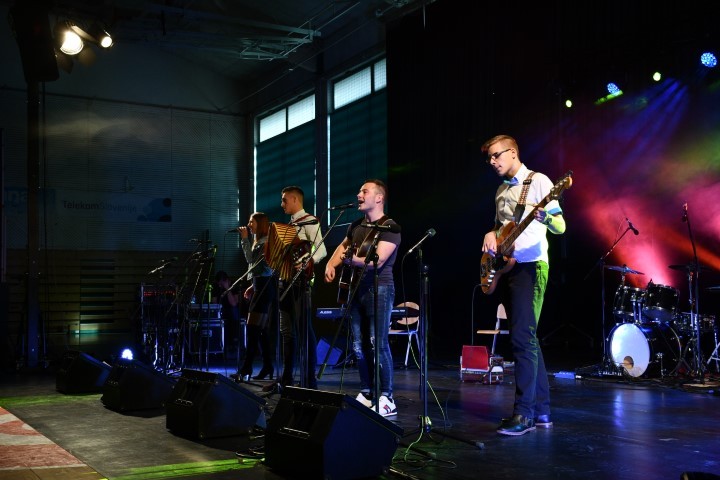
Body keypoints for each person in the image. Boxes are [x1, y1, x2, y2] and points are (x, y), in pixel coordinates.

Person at [480, 134, 566, 436]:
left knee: (521, 338)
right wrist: (490, 235)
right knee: (526, 338)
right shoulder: (501, 191)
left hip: (532, 267)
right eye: (489, 158)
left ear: (513, 152)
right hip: (508, 268)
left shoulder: (539, 181)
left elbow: (560, 226)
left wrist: (545, 217)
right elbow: (500, 228)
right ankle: (541, 411)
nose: (492, 162)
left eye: (496, 155)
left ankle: (524, 414)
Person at [324, 179, 400, 417]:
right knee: (358, 345)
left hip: (380, 289)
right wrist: (331, 264)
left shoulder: (390, 227)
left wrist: (351, 260)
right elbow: (343, 246)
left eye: (364, 191)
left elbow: (377, 260)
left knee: (378, 342)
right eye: (359, 191)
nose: (359, 194)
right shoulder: (356, 225)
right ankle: (367, 392)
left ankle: (387, 397)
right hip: (355, 289)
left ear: (379, 198)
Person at [268, 186, 327, 391]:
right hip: (284, 282)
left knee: (304, 331)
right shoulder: (289, 225)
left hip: (301, 283)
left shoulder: (310, 221)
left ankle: (309, 380)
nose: (281, 204)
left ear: (295, 199)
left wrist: (307, 261)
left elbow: (321, 250)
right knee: (286, 332)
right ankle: (286, 379)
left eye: (284, 200)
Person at [236, 212, 276, 381]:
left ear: (260, 224)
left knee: (252, 328)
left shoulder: (264, 242)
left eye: (252, 222)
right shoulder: (260, 242)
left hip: (265, 289)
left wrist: (244, 239)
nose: (249, 224)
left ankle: (246, 368)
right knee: (260, 331)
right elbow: (261, 269)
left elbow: (251, 260)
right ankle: (267, 366)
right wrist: (253, 286)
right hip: (261, 286)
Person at [211, 270, 241, 358]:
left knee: (234, 311)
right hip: (221, 310)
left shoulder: (234, 286)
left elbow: (234, 303)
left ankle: (233, 341)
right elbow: (214, 303)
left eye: (221, 283)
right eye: (219, 284)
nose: (220, 285)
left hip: (231, 311)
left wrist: (227, 289)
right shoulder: (216, 287)